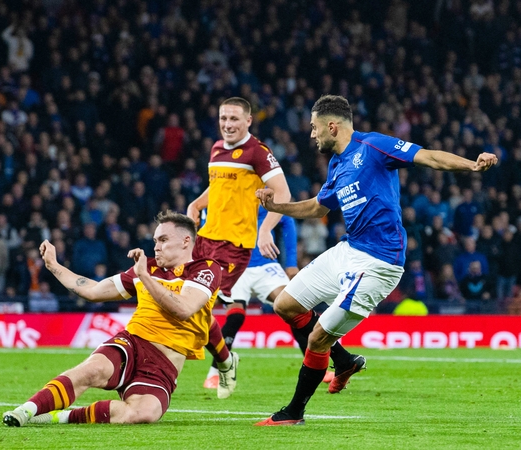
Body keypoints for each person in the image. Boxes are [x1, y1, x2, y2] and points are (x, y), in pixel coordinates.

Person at [253, 95, 497, 426]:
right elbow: (318, 208)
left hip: (378, 262)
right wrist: (277, 208)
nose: (311, 134)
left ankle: (293, 413)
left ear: (332, 126)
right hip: (349, 249)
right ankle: (344, 361)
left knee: (317, 338)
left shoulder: (373, 146)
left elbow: (427, 157)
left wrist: (471, 164)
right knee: (285, 304)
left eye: (314, 128)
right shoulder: (337, 164)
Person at [3, 211, 224, 427]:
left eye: (163, 240)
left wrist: (145, 277)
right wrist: (55, 266)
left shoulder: (206, 269)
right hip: (133, 343)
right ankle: (25, 410)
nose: (156, 246)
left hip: (164, 364)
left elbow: (184, 308)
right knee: (92, 370)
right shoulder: (146, 268)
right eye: (155, 240)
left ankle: (60, 417)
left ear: (186, 241)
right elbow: (94, 291)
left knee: (144, 414)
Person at [186, 97, 291, 398]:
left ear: (248, 121)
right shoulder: (217, 148)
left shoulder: (258, 153)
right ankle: (225, 360)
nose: (228, 124)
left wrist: (265, 230)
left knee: (193, 307)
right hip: (205, 239)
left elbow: (283, 194)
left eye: (234, 119)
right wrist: (196, 203)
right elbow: (217, 188)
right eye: (223, 119)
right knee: (191, 309)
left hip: (234, 247)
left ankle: (213, 364)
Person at [204, 206, 340, 386]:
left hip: (266, 266)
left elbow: (287, 221)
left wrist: (291, 262)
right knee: (235, 317)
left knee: (294, 308)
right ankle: (215, 374)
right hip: (234, 267)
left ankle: (317, 368)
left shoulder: (262, 197)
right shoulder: (223, 197)